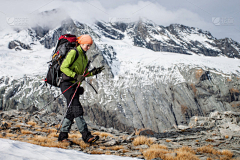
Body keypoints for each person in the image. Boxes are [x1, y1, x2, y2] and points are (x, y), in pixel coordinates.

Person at [58, 35, 104, 143]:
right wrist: (75, 76)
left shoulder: (84, 56)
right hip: (66, 84)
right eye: (87, 45)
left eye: (90, 46)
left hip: (74, 85)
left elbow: (82, 74)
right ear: (81, 43)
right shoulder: (74, 53)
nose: (89, 47)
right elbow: (63, 67)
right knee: (77, 108)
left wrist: (93, 72)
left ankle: (62, 136)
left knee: (71, 111)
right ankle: (86, 136)